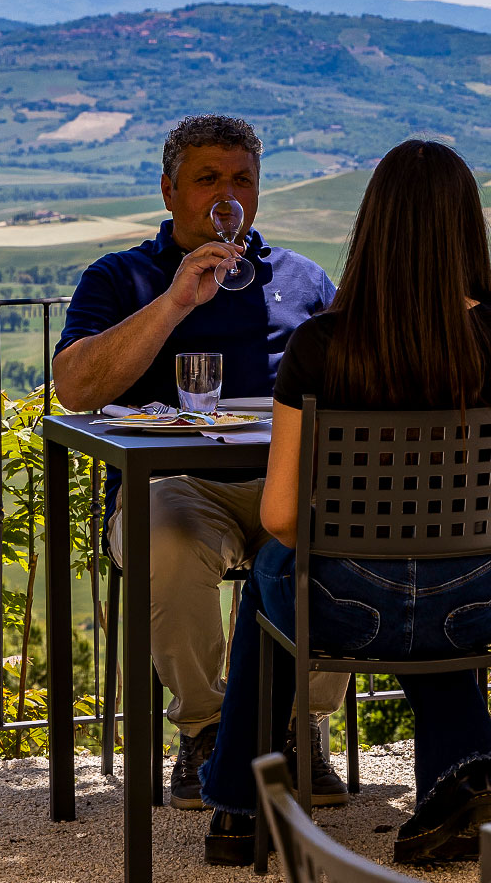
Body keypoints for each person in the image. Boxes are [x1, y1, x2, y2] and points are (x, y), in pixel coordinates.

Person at [199, 139, 491, 867]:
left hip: (345, 602)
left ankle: (240, 809)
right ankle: (461, 781)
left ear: (373, 228)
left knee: (275, 572)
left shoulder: (321, 346)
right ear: (466, 228)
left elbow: (278, 515)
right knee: (440, 583)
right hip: (477, 597)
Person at [51, 114, 349, 809]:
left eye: (242, 179)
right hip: (176, 485)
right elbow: (76, 387)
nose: (228, 195)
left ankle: (304, 724)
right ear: (168, 190)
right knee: (168, 536)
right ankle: (207, 730)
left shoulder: (304, 280)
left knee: (342, 524)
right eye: (208, 179)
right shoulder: (121, 276)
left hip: (289, 482)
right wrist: (174, 302)